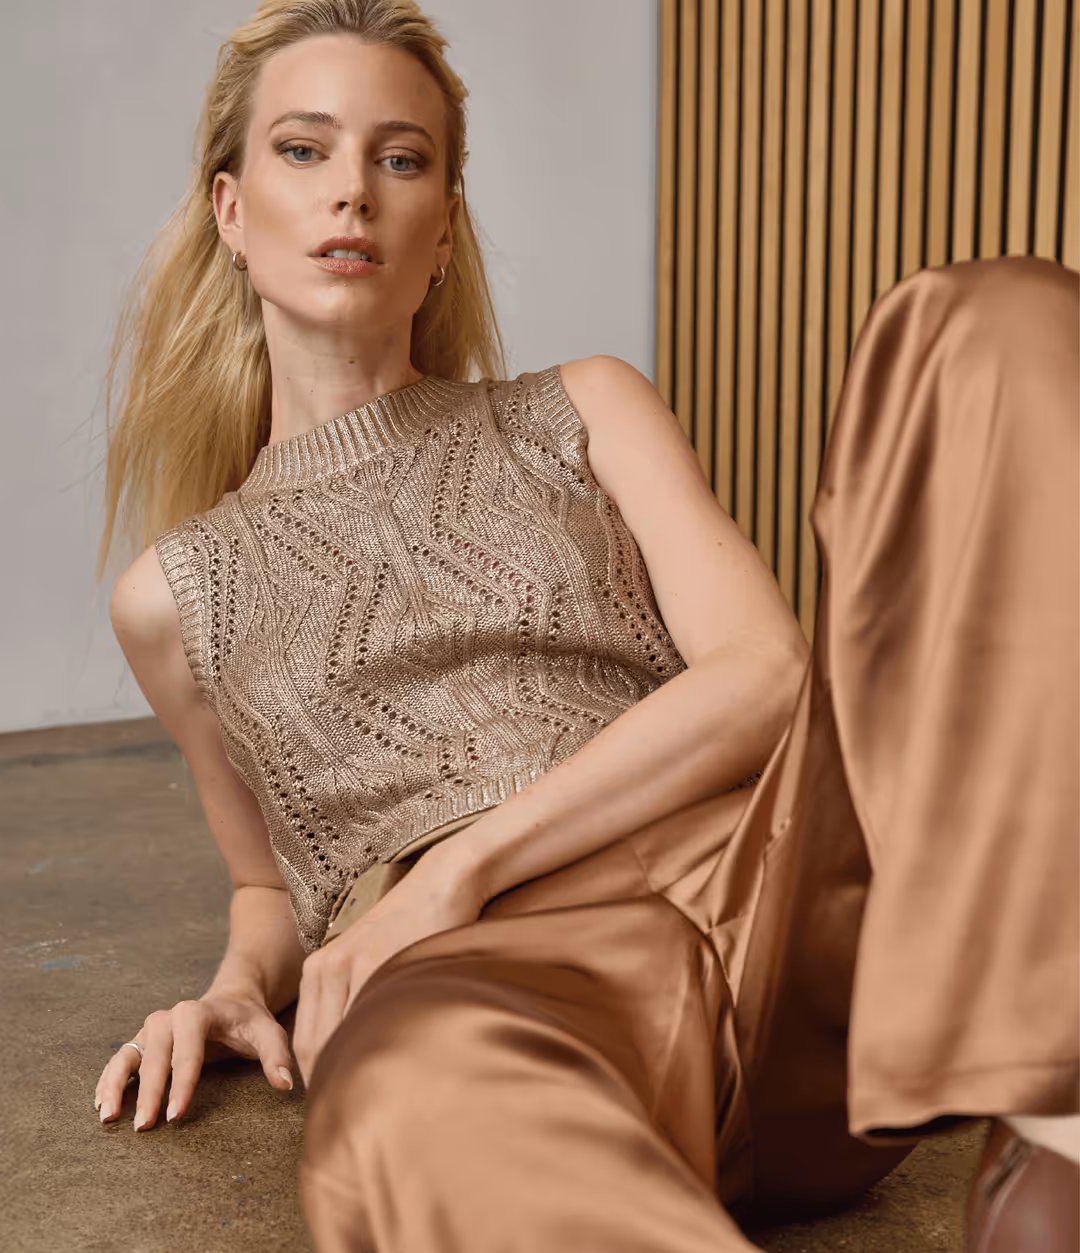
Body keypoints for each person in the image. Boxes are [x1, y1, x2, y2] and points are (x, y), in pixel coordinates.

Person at [90, 1, 1078, 1248]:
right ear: (230, 209)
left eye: (401, 159)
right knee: (404, 1101)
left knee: (990, 322)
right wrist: (233, 991)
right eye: (304, 150)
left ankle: (1055, 1132)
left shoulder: (584, 405)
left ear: (441, 225)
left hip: (778, 883)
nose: (353, 192)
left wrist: (456, 870)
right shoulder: (174, 595)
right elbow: (267, 878)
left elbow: (766, 674)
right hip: (493, 990)